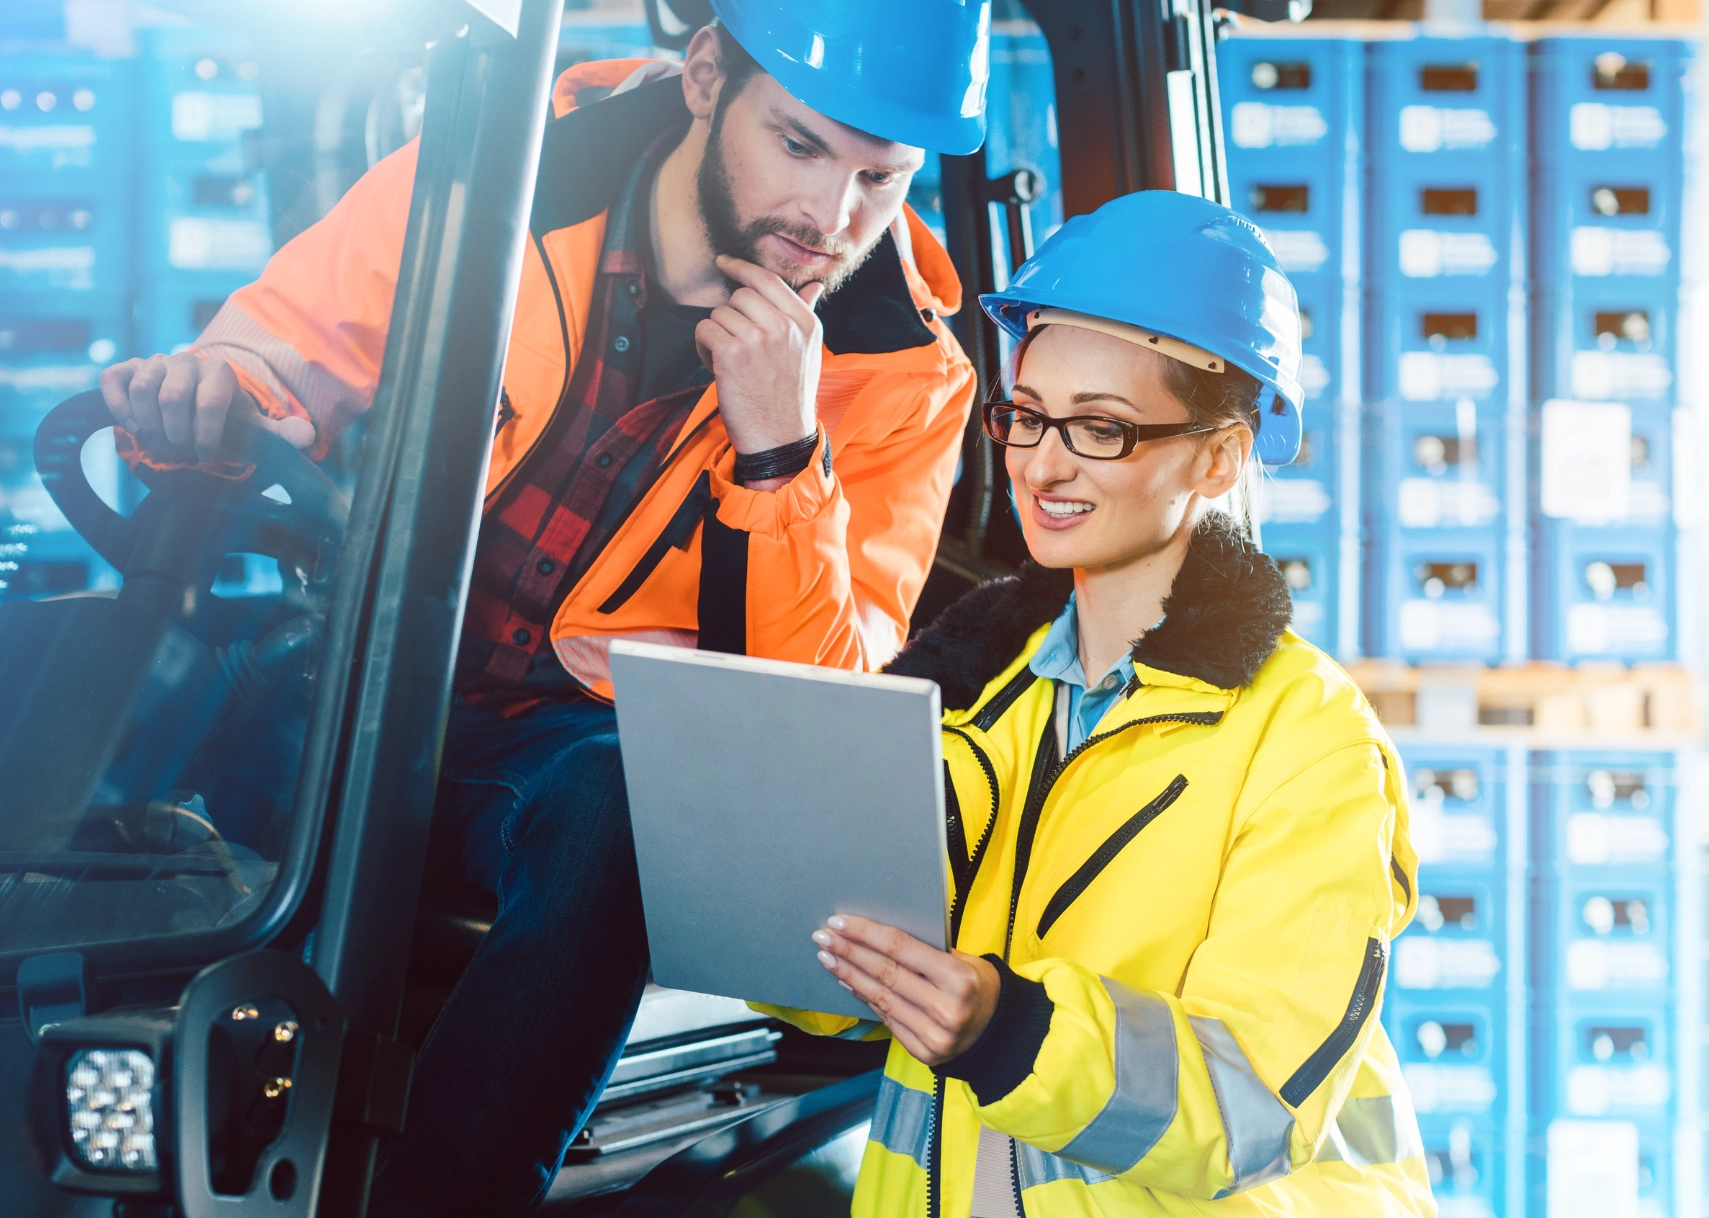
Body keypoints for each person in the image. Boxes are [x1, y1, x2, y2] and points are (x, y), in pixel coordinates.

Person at [96, 3, 990, 1213]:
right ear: (708, 76)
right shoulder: (489, 176)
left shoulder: (903, 381)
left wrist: (779, 452)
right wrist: (214, 394)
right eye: (799, 146)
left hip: (569, 747)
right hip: (361, 676)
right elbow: (286, 347)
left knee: (616, 816)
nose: (831, 222)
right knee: (78, 690)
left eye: (881, 180)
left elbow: (812, 713)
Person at [761, 191, 1436, 1215]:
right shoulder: (971, 700)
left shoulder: (1308, 745)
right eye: (1026, 416)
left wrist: (1009, 1030)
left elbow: (1251, 1104)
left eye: (1102, 430)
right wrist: (787, 931)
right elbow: (836, 1009)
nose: (1042, 463)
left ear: (1219, 456)